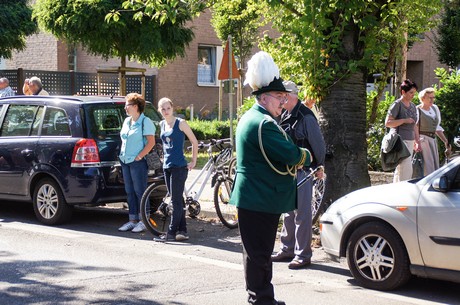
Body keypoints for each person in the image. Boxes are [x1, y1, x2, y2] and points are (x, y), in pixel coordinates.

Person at [230, 51, 312, 305]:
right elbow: (290, 154)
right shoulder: (264, 123)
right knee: (260, 254)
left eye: (284, 97)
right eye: (279, 97)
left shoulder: (254, 117)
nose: (283, 102)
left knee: (256, 254)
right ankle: (261, 300)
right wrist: (307, 156)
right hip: (260, 196)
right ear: (264, 98)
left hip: (255, 196)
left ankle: (262, 297)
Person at [271, 81, 326, 270]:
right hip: (289, 170)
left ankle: (303, 254)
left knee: (302, 214)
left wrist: (319, 166)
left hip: (304, 170)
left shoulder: (306, 117)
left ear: (291, 96)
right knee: (288, 212)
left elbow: (319, 145)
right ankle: (287, 249)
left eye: (282, 96)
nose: (280, 100)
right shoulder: (286, 114)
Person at [154, 97, 198, 242]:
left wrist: (193, 161)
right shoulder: (161, 124)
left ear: (173, 108)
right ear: (160, 111)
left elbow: (194, 141)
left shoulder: (181, 123)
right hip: (167, 166)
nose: (166, 111)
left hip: (179, 167)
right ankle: (183, 231)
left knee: (175, 201)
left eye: (168, 108)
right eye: (163, 109)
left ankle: (171, 233)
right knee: (178, 199)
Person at [118, 93, 156, 233]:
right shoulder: (127, 121)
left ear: (135, 106)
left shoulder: (145, 122)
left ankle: (144, 220)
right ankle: (132, 220)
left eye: (127, 105)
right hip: (125, 160)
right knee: (129, 191)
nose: (125, 108)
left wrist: (140, 156)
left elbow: (151, 142)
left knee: (140, 191)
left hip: (137, 162)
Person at [385, 79, 419, 182]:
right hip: (400, 141)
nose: (413, 95)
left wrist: (417, 141)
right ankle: (404, 190)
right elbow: (388, 123)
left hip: (410, 140)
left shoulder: (413, 106)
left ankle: (396, 190)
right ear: (403, 92)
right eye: (411, 92)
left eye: (414, 93)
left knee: (403, 168)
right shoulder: (397, 104)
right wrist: (404, 120)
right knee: (405, 168)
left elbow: (414, 125)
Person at [416, 87, 451, 175]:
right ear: (423, 99)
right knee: (428, 165)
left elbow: (437, 128)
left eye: (433, 97)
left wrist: (445, 142)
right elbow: (414, 127)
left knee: (435, 165)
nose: (432, 100)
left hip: (432, 139)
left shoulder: (435, 109)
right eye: (429, 98)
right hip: (422, 139)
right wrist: (417, 142)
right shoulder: (417, 110)